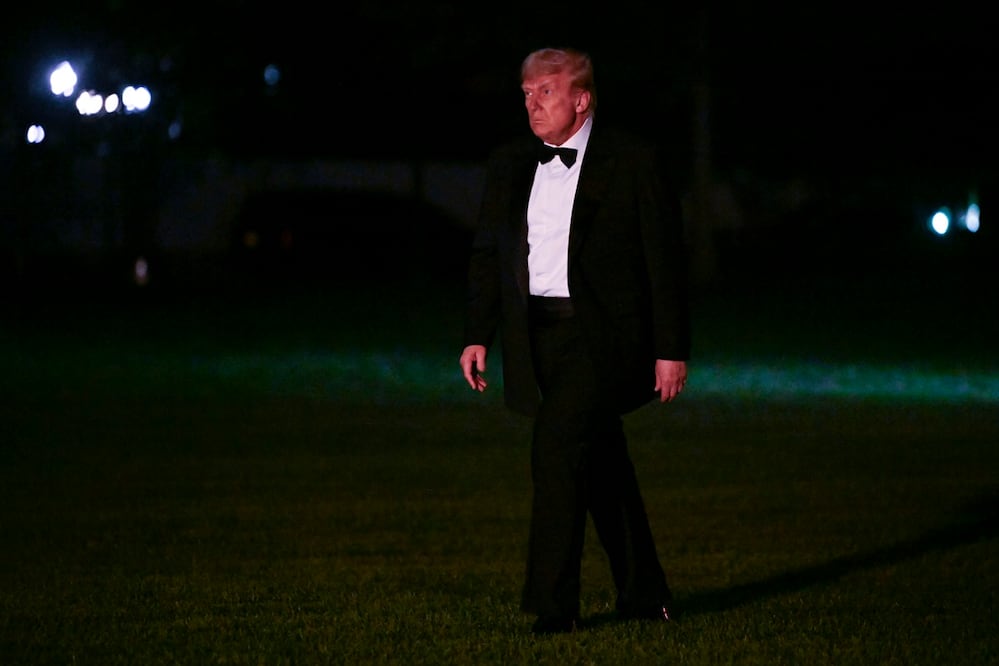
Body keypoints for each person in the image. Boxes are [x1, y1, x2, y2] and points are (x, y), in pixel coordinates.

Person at [459, 47, 691, 635]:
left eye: (546, 93)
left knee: (556, 452)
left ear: (581, 99)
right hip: (535, 338)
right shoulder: (511, 162)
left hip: (601, 340)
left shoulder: (632, 160)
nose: (533, 105)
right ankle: (644, 592)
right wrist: (477, 334)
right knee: (602, 465)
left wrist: (671, 348)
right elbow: (490, 253)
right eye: (527, 94)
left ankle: (552, 606)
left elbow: (663, 260)